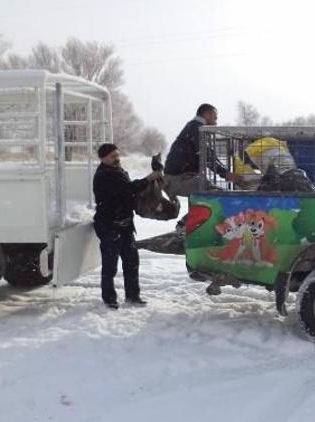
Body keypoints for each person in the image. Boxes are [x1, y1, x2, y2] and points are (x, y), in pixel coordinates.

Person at [93, 143, 155, 309]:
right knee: (110, 265)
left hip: (125, 225)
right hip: (109, 225)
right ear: (103, 158)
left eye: (117, 155)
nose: (116, 158)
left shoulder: (118, 171)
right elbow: (127, 189)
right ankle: (109, 299)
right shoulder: (104, 175)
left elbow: (128, 191)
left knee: (131, 261)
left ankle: (133, 296)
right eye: (112, 156)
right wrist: (148, 179)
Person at [163, 103, 239, 236]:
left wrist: (225, 172)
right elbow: (207, 156)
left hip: (181, 177)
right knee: (216, 195)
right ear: (207, 115)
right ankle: (184, 225)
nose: (216, 121)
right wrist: (226, 174)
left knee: (212, 193)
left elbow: (208, 155)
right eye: (215, 117)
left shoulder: (195, 128)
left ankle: (186, 224)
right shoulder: (197, 129)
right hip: (177, 179)